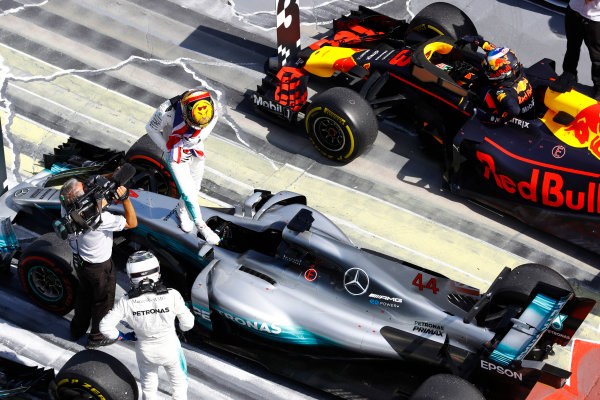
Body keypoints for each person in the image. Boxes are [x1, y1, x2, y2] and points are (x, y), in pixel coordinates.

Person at [100, 251, 195, 400]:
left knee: (149, 387)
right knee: (179, 386)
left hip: (145, 351)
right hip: (171, 349)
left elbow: (104, 327)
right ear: (156, 272)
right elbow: (188, 324)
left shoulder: (126, 302)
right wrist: (180, 328)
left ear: (131, 277)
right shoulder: (172, 295)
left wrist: (121, 336)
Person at [60, 174, 137, 349]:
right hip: (99, 267)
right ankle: (97, 336)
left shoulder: (65, 205)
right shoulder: (100, 219)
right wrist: (125, 199)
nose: (89, 188)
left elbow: (76, 192)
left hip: (79, 260)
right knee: (103, 300)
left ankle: (76, 330)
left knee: (84, 295)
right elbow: (132, 223)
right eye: (85, 189)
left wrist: (109, 176)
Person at [146, 89, 220, 245]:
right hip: (174, 152)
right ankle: (202, 226)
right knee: (188, 192)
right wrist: (167, 149)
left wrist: (199, 136)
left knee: (195, 186)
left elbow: (214, 118)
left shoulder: (208, 105)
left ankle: (182, 210)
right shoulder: (165, 111)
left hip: (196, 146)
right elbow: (150, 128)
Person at [458, 36, 535, 124]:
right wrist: (476, 40)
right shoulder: (515, 67)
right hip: (526, 104)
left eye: (490, 70)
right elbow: (492, 50)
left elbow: (514, 110)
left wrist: (496, 119)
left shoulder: (502, 93)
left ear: (502, 73)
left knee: (484, 91)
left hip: (516, 117)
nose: (487, 71)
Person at [561, 0, 600, 99]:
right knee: (572, 48)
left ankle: (599, 88)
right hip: (574, 11)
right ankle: (569, 75)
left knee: (597, 58)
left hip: (596, 19)